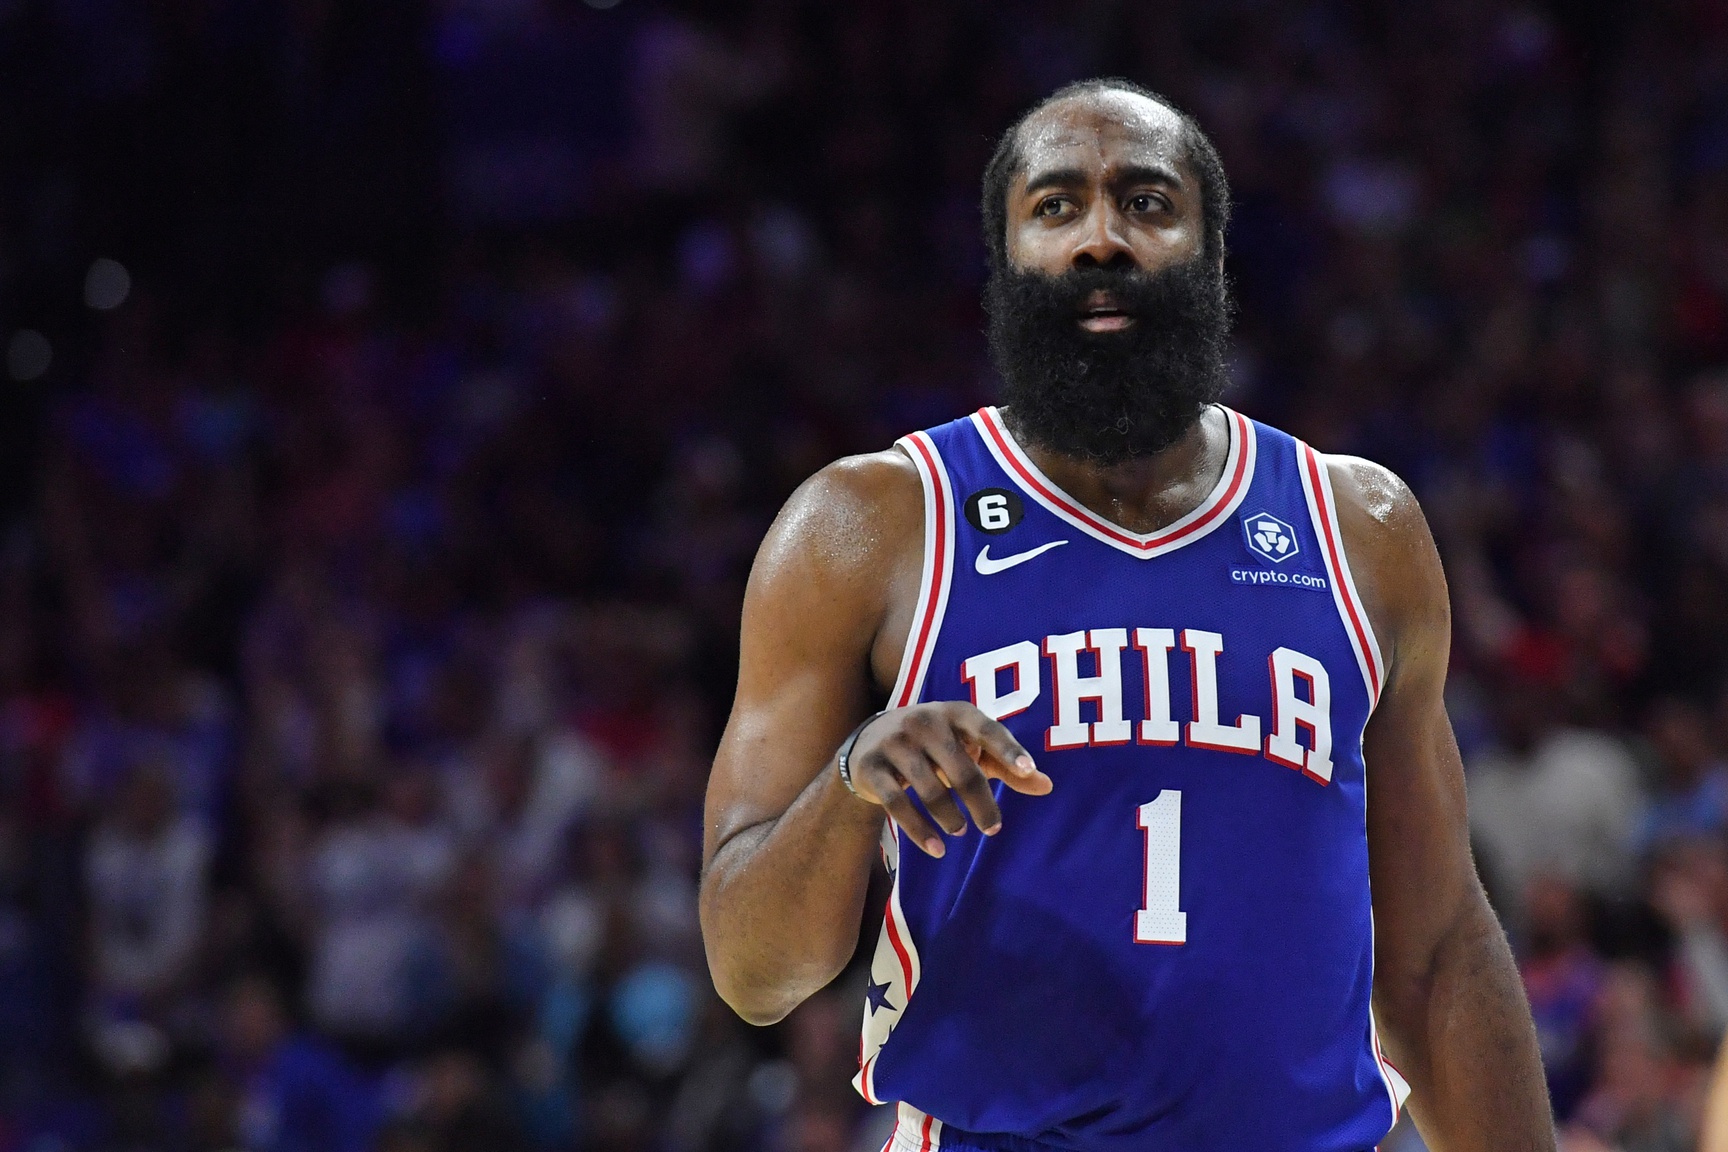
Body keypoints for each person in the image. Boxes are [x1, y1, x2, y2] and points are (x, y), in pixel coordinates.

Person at [699, 78, 1555, 1150]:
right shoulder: (865, 527)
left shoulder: (1362, 529)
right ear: (1005, 259)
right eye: (1055, 207)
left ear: (1209, 251)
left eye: (1147, 203)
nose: (1102, 238)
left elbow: (1434, 955)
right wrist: (851, 779)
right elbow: (752, 971)